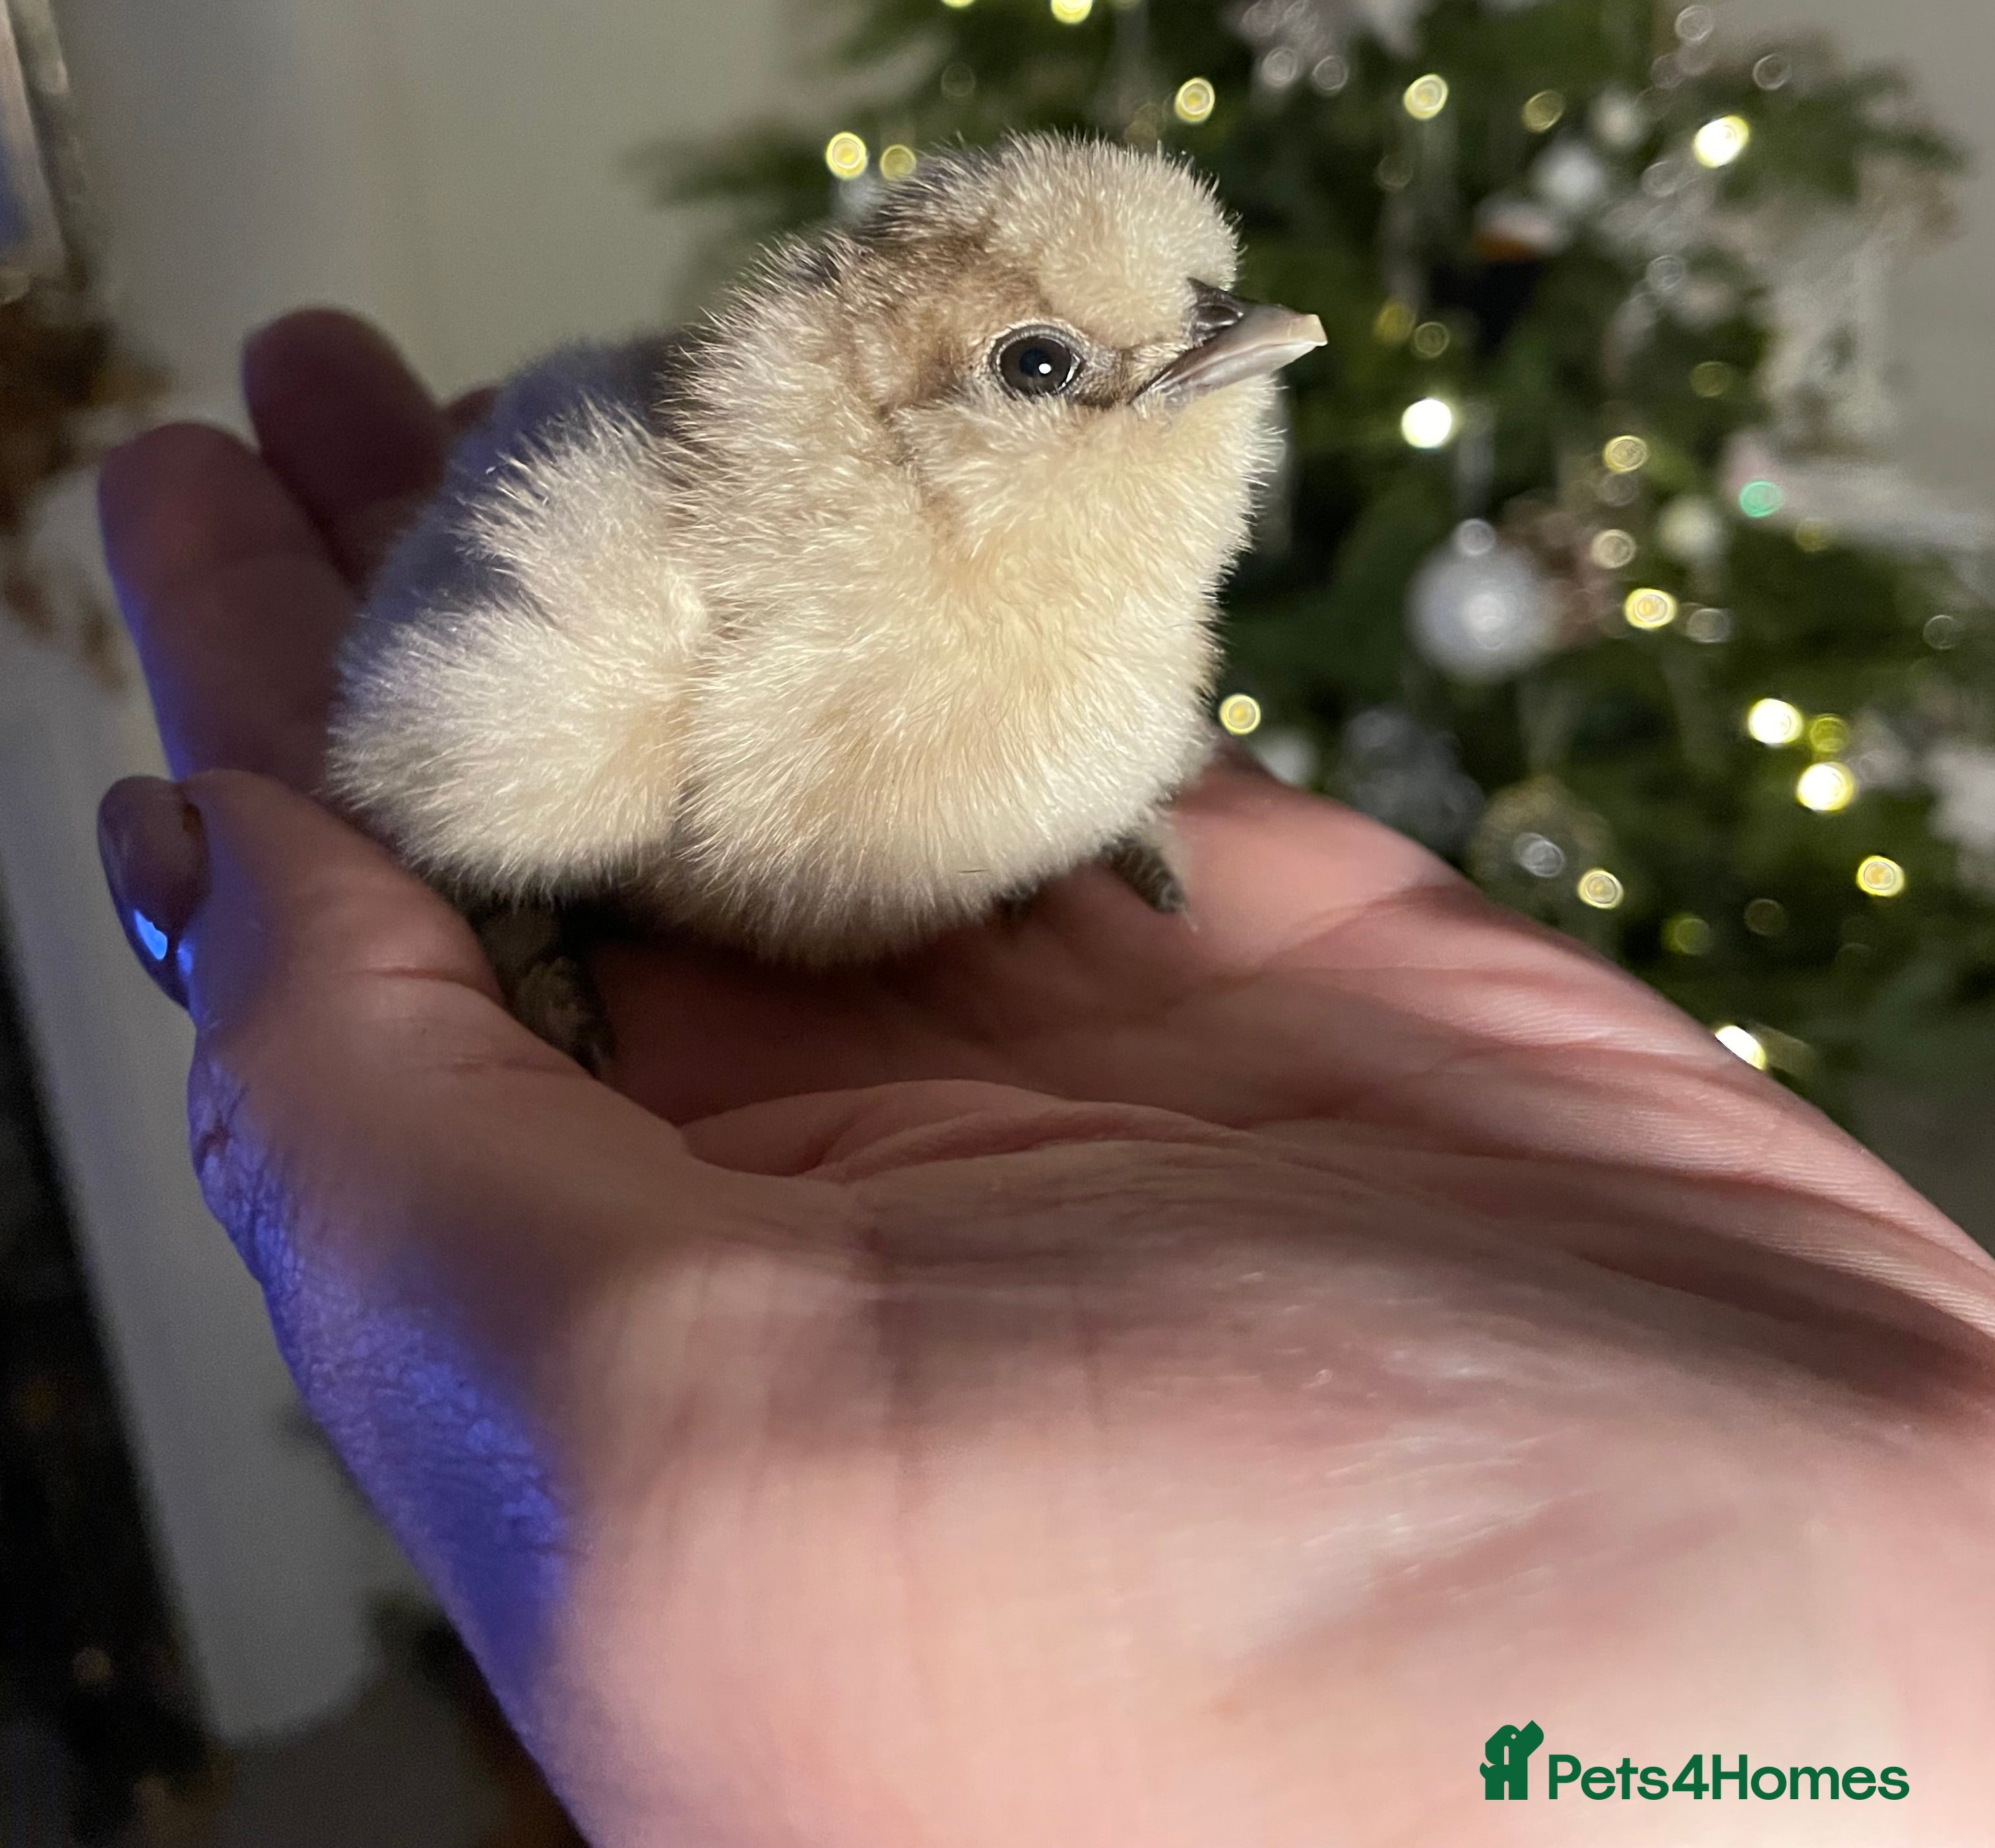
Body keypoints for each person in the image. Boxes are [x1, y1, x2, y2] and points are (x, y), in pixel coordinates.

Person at [94, 312, 1995, 1846]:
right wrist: (513, 919)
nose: (1206, 347)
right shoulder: (659, 583)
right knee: (531, 743)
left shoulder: (1106, 649)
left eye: (1189, 313)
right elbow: (437, 741)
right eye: (1040, 362)